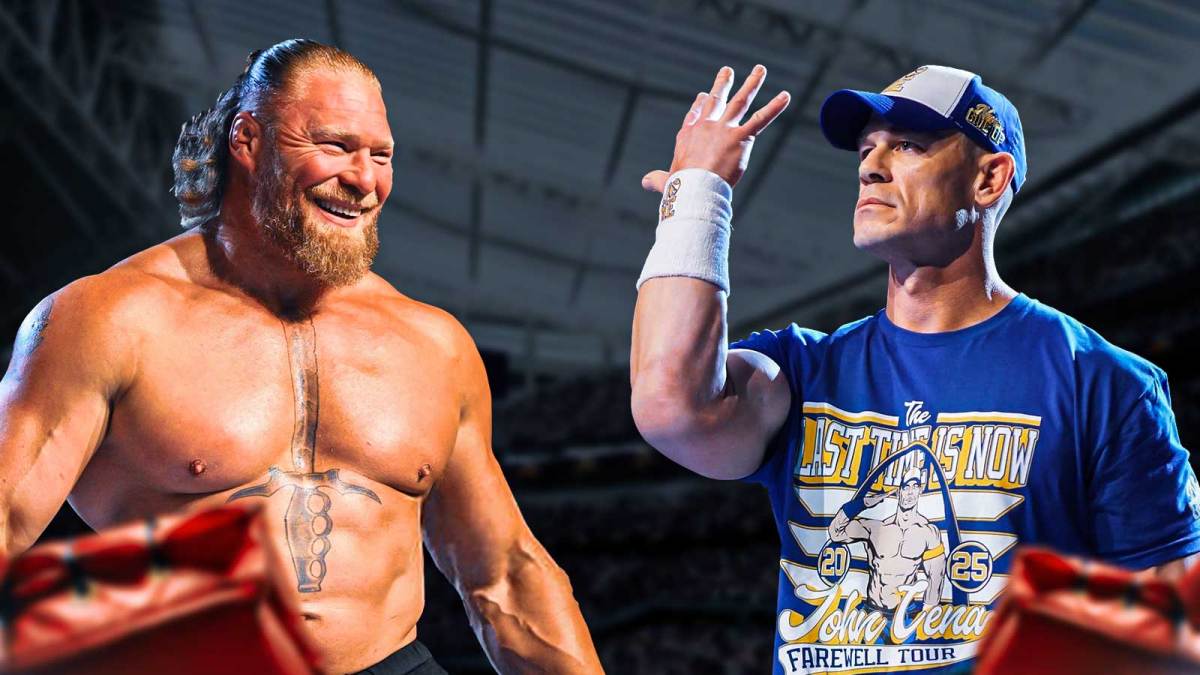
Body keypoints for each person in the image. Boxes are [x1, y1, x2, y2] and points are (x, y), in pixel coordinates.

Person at [0, 39, 602, 675]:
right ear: (247, 139)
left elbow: (504, 576)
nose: (364, 179)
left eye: (382, 156)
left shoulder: (433, 344)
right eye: (336, 146)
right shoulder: (108, 319)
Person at [630, 63, 1200, 674]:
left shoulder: (1102, 383)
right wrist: (698, 197)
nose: (869, 166)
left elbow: (1170, 630)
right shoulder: (804, 370)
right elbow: (670, 407)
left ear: (988, 178)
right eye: (868, 147)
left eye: (907, 145)